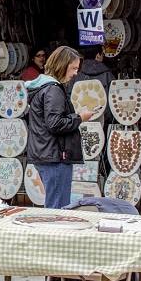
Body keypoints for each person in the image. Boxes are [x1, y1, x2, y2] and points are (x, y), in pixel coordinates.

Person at [25, 46, 95, 210]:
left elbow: (50, 120)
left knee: (54, 204)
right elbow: (55, 124)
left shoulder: (42, 87)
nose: (75, 73)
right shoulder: (53, 90)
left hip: (45, 153)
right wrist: (79, 118)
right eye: (74, 68)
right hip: (54, 155)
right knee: (57, 207)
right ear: (63, 65)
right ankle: (51, 235)